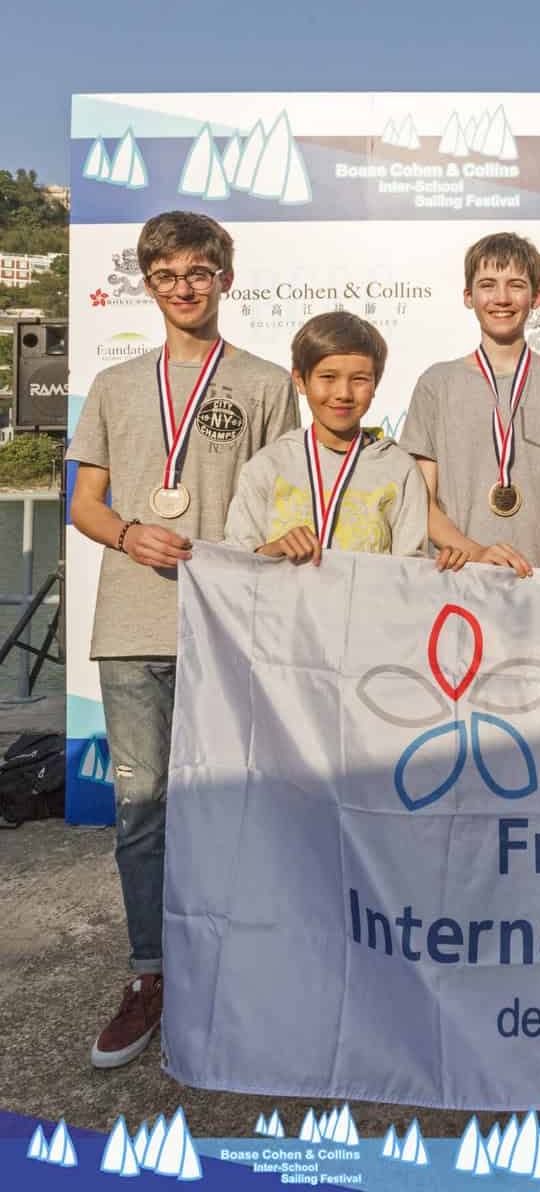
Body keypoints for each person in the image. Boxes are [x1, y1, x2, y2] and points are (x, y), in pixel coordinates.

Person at [67, 211, 301, 1067]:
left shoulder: (267, 383)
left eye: (199, 271)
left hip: (230, 625)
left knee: (243, 804)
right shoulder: (114, 384)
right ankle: (150, 973)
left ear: (224, 278)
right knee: (143, 811)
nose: (184, 288)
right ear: (149, 284)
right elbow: (84, 503)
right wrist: (130, 533)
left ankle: (241, 964)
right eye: (166, 275)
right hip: (133, 625)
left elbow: (285, 503)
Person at [400, 232, 540, 581]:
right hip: (461, 578)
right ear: (468, 296)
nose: (502, 298)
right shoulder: (436, 384)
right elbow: (421, 501)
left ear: (536, 297)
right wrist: (476, 553)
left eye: (516, 285)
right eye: (488, 285)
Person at [224, 311, 464, 568]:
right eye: (328, 377)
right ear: (300, 380)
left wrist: (443, 568)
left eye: (359, 379)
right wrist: (272, 550)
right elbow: (233, 564)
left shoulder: (399, 469)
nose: (343, 393)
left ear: (376, 384)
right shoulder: (268, 465)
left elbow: (410, 571)